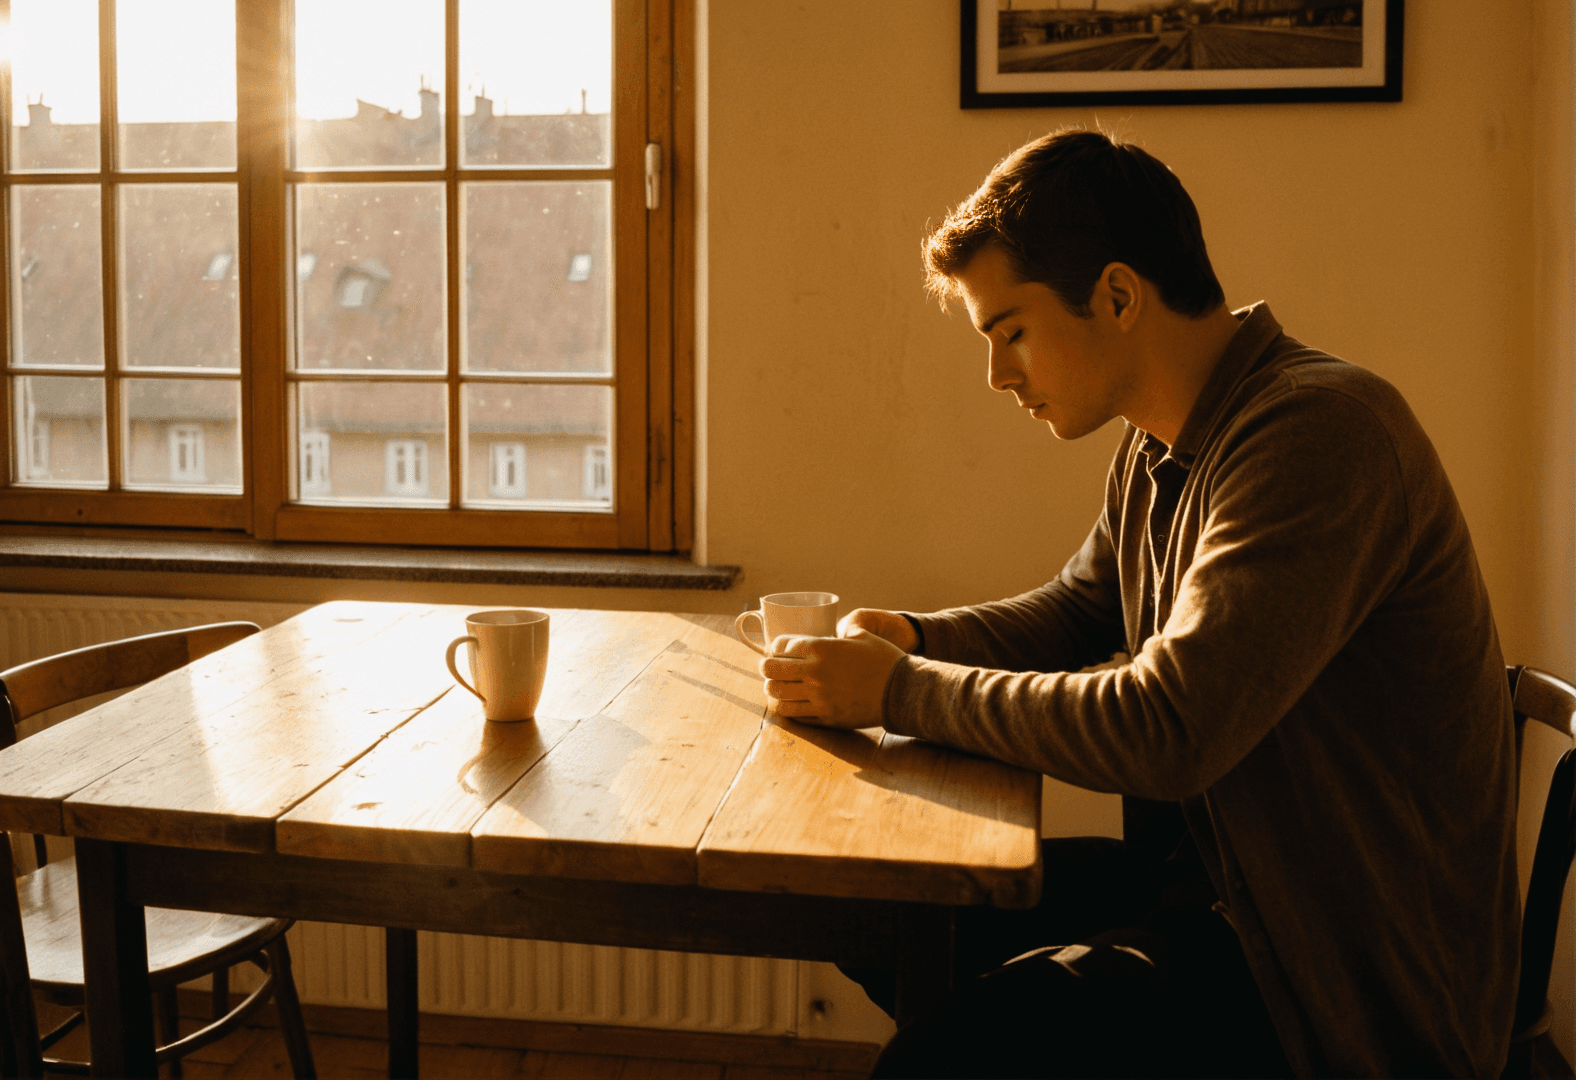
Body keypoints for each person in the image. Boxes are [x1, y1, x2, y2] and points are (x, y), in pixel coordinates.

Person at [758, 129, 1519, 1078]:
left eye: (1012, 333)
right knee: (874, 906)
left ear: (1117, 296)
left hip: (1334, 969)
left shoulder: (1321, 434)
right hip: (1216, 883)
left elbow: (1169, 727)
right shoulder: (1161, 443)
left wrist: (901, 689)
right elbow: (1080, 609)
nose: (999, 376)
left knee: (947, 1058)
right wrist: (912, 636)